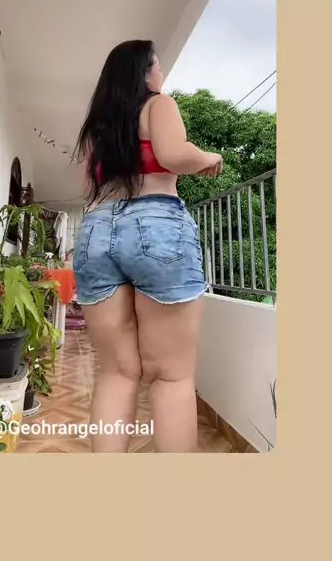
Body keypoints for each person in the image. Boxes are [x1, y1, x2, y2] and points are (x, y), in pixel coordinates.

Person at [73, 40, 222, 452]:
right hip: (156, 225)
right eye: (158, 64)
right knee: (171, 375)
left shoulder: (97, 128)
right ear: (144, 72)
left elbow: (88, 187)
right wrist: (207, 156)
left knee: (116, 372)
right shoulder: (159, 105)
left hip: (97, 229)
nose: (161, 72)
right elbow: (173, 154)